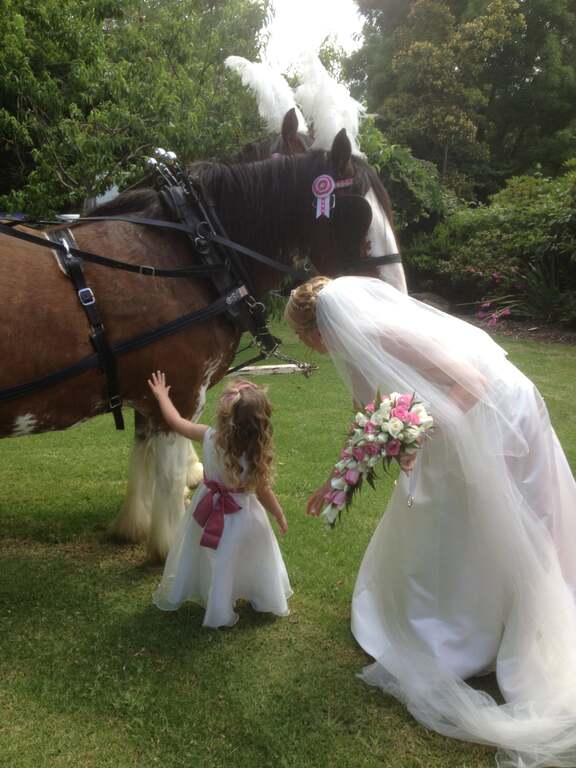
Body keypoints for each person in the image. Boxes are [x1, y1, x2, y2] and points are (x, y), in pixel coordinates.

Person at [285, 275, 576, 768]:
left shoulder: (380, 331)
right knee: (454, 519)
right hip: (458, 420)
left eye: (301, 333)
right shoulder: (354, 344)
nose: (303, 343)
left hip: (497, 412)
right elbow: (366, 420)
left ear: (320, 325)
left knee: (506, 520)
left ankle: (497, 622)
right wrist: (332, 481)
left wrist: (420, 430)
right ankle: (472, 617)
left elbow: (473, 382)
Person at [148, 372, 292, 629]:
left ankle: (219, 606)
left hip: (210, 509)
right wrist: (278, 514)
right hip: (246, 516)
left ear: (226, 416)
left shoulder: (209, 437)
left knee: (217, 558)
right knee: (250, 556)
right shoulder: (255, 452)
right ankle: (256, 592)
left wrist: (161, 395)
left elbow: (176, 421)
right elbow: (263, 491)